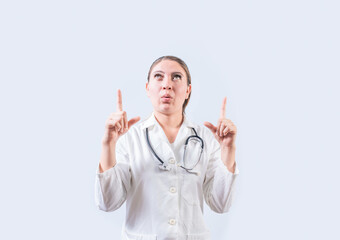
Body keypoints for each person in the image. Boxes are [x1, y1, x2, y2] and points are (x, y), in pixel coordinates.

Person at [94, 55, 240, 240]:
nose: (167, 85)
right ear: (148, 88)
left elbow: (221, 204)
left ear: (188, 90)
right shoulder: (129, 138)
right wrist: (108, 144)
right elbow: (108, 203)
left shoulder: (205, 139)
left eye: (176, 77)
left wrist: (228, 149)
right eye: (158, 76)